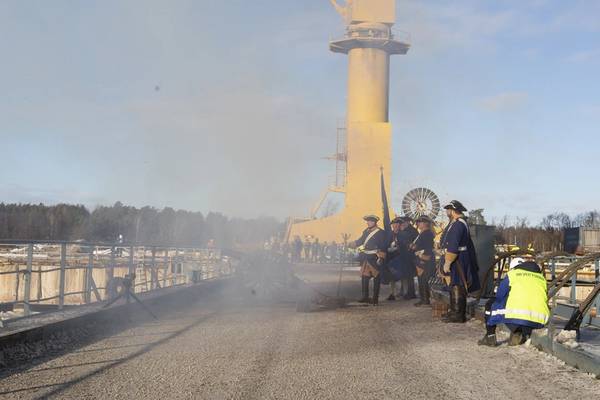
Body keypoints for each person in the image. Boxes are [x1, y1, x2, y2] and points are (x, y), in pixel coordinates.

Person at [479, 258, 550, 346]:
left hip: (517, 315)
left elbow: (500, 295)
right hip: (540, 319)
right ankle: (519, 332)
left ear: (513, 268)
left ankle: (490, 337)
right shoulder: (541, 278)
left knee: (490, 304)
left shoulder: (512, 274)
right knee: (524, 307)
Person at [440, 200, 481, 323]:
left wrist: (448, 262)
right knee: (454, 284)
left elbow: (453, 244)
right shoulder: (456, 223)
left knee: (457, 284)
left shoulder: (458, 224)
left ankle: (458, 314)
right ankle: (454, 311)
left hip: (458, 258)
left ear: (453, 210)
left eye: (448, 209)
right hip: (458, 256)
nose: (447, 212)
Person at [350, 215, 388, 305]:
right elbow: (360, 241)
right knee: (364, 276)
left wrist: (381, 257)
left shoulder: (381, 233)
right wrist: (351, 244)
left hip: (375, 257)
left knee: (376, 277)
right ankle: (365, 297)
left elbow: (383, 246)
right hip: (366, 256)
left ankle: (375, 299)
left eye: (369, 221)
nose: (367, 223)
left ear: (374, 222)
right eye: (367, 221)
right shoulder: (366, 232)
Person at [411, 216, 436, 307]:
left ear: (425, 223)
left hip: (425, 259)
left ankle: (425, 300)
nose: (418, 224)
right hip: (420, 258)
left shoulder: (427, 234)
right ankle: (423, 299)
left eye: (420, 222)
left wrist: (419, 252)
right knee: (421, 279)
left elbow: (428, 248)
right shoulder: (422, 233)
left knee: (424, 280)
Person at [397, 216, 418, 300]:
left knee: (409, 275)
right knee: (406, 275)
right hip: (405, 255)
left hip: (409, 256)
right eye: (402, 222)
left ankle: (411, 293)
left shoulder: (411, 231)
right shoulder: (407, 230)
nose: (403, 224)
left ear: (408, 222)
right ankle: (406, 292)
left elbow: (408, 242)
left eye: (404, 222)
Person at [384, 216, 405, 301]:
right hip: (391, 257)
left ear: (399, 226)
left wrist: (398, 248)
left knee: (402, 275)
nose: (395, 227)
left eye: (397, 225)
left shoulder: (403, 234)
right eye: (394, 225)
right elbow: (386, 244)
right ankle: (393, 293)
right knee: (392, 276)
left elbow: (405, 245)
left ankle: (403, 292)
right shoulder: (390, 234)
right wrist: (388, 249)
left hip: (400, 257)